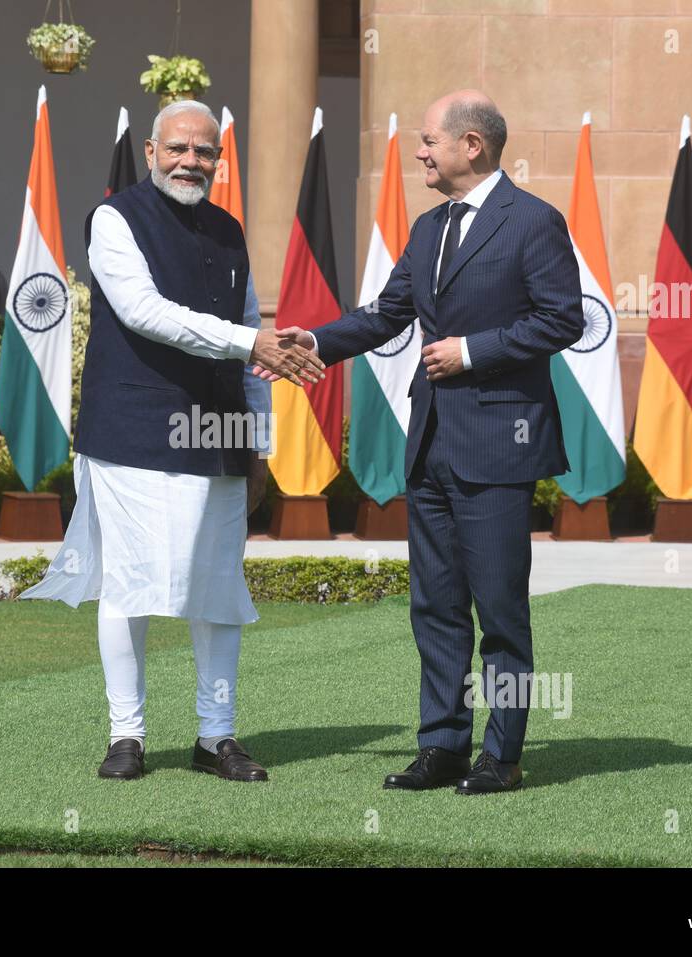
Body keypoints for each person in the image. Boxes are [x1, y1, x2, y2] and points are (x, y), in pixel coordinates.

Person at [262, 90, 583, 793]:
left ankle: (502, 756)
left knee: (498, 610)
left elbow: (565, 320)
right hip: (431, 444)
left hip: (499, 444)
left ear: (472, 144)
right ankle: (441, 748)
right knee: (435, 605)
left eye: (428, 140)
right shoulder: (429, 226)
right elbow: (386, 314)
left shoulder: (533, 222)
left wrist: (473, 351)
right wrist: (313, 339)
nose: (418, 152)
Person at [20, 99, 325, 783]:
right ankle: (126, 734)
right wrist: (254, 343)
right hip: (131, 430)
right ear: (152, 152)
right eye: (179, 148)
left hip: (217, 434)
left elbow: (250, 341)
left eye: (206, 151)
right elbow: (146, 313)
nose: (192, 161)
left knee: (217, 590)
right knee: (127, 587)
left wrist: (260, 444)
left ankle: (216, 735)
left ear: (219, 161)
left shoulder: (228, 229)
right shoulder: (114, 218)